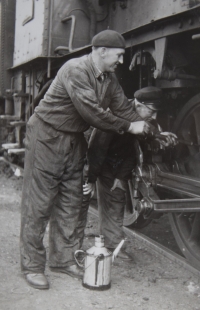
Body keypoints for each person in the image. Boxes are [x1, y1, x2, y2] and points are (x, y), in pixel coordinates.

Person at [20, 29, 152, 290]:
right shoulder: (75, 69)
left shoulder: (109, 78)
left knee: (72, 200)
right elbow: (92, 113)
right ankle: (32, 265)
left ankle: (63, 259)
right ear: (102, 51)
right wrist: (129, 127)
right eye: (119, 55)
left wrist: (149, 127)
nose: (121, 61)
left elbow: (124, 109)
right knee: (40, 202)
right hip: (47, 135)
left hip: (74, 139)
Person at [81, 87, 177, 260]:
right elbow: (97, 148)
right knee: (89, 201)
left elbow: (135, 147)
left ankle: (112, 245)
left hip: (121, 163)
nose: (154, 117)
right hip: (102, 162)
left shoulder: (139, 115)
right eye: (152, 111)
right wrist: (91, 178)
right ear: (138, 105)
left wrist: (159, 136)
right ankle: (84, 247)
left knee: (116, 200)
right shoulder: (115, 114)